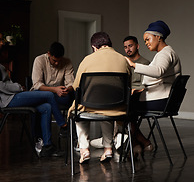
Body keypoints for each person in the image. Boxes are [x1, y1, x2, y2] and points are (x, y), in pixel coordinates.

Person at [0, 29, 67, 157]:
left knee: (46, 107)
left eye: (2, 40)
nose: (2, 43)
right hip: (7, 99)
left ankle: (47, 146)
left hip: (11, 96)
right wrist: (17, 87)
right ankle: (63, 125)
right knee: (49, 94)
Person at [68, 32, 131, 164]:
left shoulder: (87, 59)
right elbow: (128, 85)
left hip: (90, 105)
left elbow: (76, 86)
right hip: (117, 107)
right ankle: (108, 149)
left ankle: (84, 149)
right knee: (107, 110)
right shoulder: (123, 59)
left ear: (94, 47)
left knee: (79, 110)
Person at [125, 20, 182, 157]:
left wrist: (133, 65)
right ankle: (139, 143)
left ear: (158, 37)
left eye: (148, 39)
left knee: (123, 109)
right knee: (129, 107)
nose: (146, 43)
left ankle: (136, 143)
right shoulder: (165, 53)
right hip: (163, 98)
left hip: (161, 101)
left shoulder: (165, 53)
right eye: (145, 41)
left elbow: (159, 71)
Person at [90, 36, 150, 150]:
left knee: (123, 109)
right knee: (113, 103)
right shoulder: (122, 62)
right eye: (125, 47)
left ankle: (129, 140)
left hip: (138, 96)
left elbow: (147, 85)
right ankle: (120, 138)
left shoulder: (145, 63)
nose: (128, 49)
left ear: (137, 46)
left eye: (130, 46)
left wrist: (136, 90)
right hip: (123, 94)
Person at [30, 42, 74, 108]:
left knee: (68, 98)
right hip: (41, 92)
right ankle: (59, 118)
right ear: (49, 54)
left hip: (58, 94)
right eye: (54, 60)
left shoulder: (67, 62)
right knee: (47, 97)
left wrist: (66, 90)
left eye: (59, 61)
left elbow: (70, 84)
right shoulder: (39, 60)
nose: (56, 63)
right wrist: (55, 89)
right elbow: (37, 85)